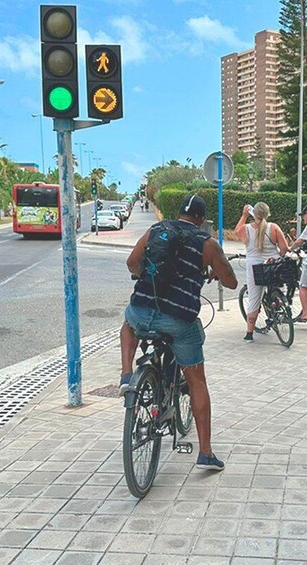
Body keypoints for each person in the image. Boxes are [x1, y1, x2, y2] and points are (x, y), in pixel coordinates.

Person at [119, 194, 238, 471]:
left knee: (128, 322)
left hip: (141, 310)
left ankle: (126, 374)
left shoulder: (156, 231)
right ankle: (205, 453)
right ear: (199, 219)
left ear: (179, 213)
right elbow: (231, 282)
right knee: (197, 380)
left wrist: (145, 276)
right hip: (178, 320)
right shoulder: (206, 243)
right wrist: (213, 270)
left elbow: (131, 262)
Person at [235, 202, 290, 341]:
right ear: (267, 213)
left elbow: (237, 231)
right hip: (273, 265)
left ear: (254, 214)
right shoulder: (274, 228)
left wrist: (244, 215)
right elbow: (284, 248)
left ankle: (249, 333)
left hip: (255, 268)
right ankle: (280, 305)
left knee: (254, 299)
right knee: (277, 286)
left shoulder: (246, 228)